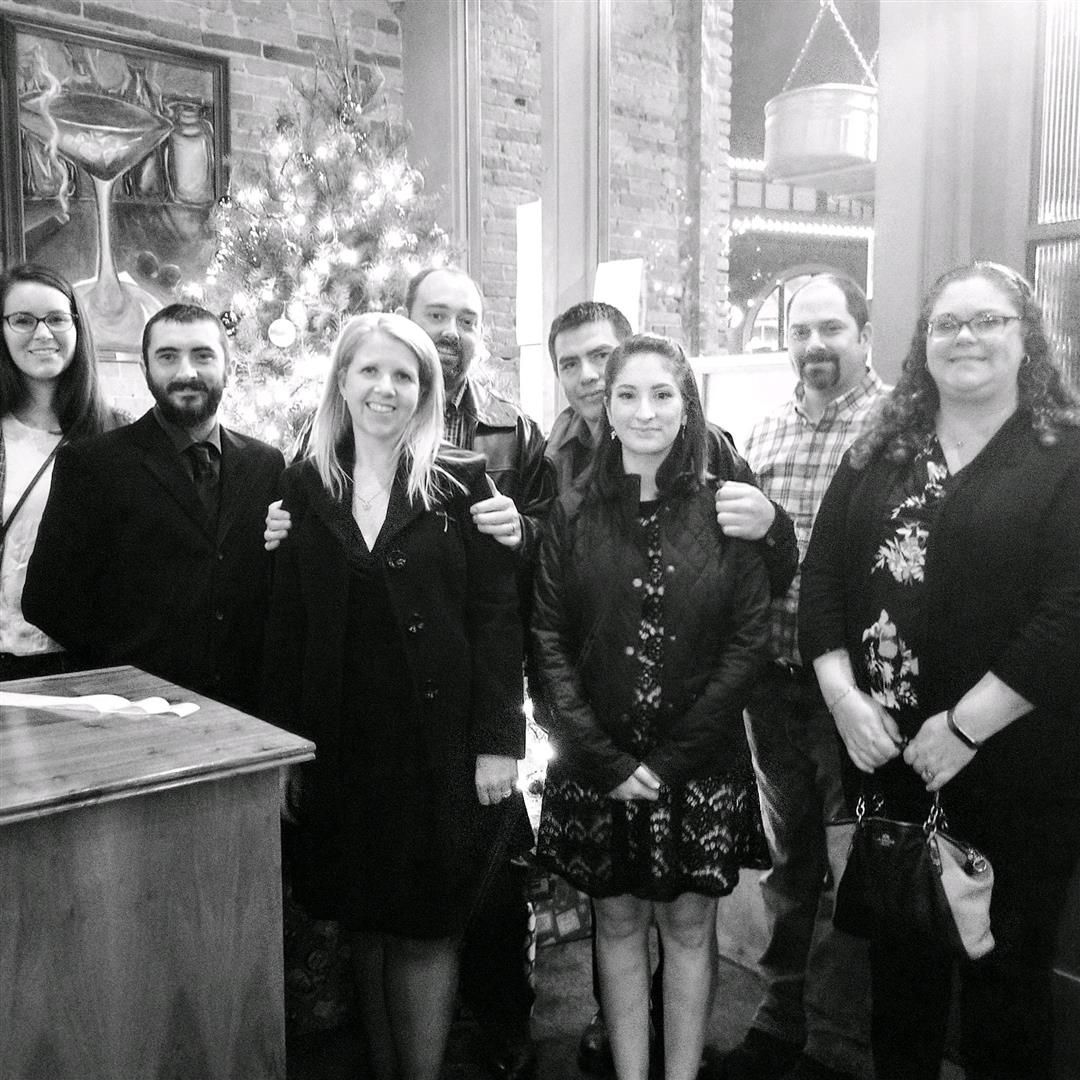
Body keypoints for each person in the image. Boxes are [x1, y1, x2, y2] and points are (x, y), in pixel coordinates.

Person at [265, 267, 554, 1079]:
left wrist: (501, 743)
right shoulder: (304, 482)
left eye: (404, 374)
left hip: (438, 746)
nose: (386, 388)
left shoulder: (463, 481)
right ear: (343, 383)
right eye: (370, 371)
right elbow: (287, 630)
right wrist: (287, 752)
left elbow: (498, 624)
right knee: (365, 924)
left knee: (426, 930)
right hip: (340, 746)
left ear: (425, 389)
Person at [798, 261, 1080, 1080]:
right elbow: (822, 578)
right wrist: (844, 697)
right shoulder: (877, 452)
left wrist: (963, 728)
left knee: (1007, 989)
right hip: (887, 765)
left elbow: (1070, 612)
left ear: (1026, 339)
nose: (966, 338)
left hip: (1017, 771)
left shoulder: (1062, 457)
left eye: (989, 321)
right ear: (923, 343)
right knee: (902, 983)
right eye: (948, 323)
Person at [547, 302, 798, 1076]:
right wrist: (604, 758)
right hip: (600, 767)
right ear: (605, 407)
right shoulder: (571, 507)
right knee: (616, 928)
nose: (644, 409)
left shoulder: (725, 503)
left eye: (663, 393)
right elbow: (547, 641)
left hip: (701, 767)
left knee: (689, 932)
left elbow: (750, 640)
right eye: (628, 395)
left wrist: (679, 756)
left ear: (687, 404)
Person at [714, 274, 884, 1080]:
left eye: (832, 329)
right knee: (790, 869)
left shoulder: (895, 431)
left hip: (854, 699)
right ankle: (780, 1022)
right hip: (773, 691)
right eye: (801, 331)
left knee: (856, 876)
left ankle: (836, 1047)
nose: (815, 346)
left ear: (864, 332)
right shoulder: (767, 429)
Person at [23, 303, 284, 713]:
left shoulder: (266, 463)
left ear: (228, 367)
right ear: (145, 370)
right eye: (167, 357)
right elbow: (46, 600)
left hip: (246, 712)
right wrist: (127, 670)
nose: (186, 372)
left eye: (203, 355)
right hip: (133, 710)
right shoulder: (92, 465)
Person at [0, 263, 123, 682]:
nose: (42, 334)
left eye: (56, 318)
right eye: (22, 320)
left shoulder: (117, 435)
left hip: (80, 663)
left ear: (76, 327)